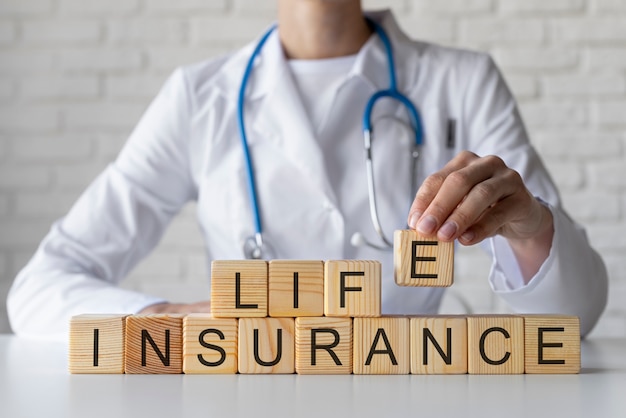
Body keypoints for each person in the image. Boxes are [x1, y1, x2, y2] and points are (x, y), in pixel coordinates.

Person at [7, 0, 607, 340]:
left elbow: (570, 321)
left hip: (413, 397)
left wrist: (531, 230)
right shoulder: (198, 98)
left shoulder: (462, 81)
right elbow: (37, 290)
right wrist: (168, 319)